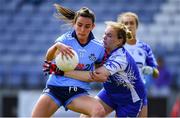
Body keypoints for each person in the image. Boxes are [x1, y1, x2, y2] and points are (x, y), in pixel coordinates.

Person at [48, 21, 146, 117]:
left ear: (119, 41)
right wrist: (61, 48)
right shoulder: (102, 47)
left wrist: (60, 71)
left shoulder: (120, 58)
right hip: (110, 93)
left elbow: (96, 75)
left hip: (129, 100)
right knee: (87, 116)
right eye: (105, 34)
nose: (104, 37)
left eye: (109, 36)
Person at [31, 4, 106, 117]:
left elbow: (100, 74)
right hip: (54, 90)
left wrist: (99, 75)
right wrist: (57, 46)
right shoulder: (64, 39)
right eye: (79, 25)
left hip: (78, 93)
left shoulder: (99, 47)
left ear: (93, 27)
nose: (82, 29)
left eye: (87, 26)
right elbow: (48, 60)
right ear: (74, 24)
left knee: (99, 111)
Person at [117, 12, 159, 117]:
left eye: (132, 23)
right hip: (121, 90)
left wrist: (151, 70)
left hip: (139, 91)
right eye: (125, 23)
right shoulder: (117, 46)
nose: (129, 26)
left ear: (137, 26)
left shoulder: (145, 48)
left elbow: (156, 73)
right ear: (121, 27)